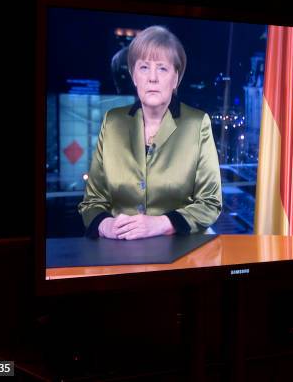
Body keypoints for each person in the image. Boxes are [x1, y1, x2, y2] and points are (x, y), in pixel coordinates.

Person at [78, 26, 222, 240]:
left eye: (162, 68)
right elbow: (92, 202)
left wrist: (161, 224)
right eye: (144, 67)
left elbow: (210, 202)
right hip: (119, 251)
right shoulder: (112, 122)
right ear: (134, 76)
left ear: (176, 79)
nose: (152, 78)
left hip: (180, 251)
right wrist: (105, 225)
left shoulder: (197, 124)